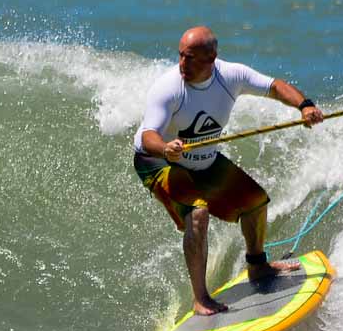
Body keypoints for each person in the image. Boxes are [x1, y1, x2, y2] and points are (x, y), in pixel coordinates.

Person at [133, 26, 324, 316]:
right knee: (198, 213)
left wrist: (304, 106)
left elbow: (274, 86)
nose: (182, 64)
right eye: (180, 55)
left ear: (211, 58)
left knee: (255, 203)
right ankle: (201, 298)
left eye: (190, 58)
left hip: (203, 162)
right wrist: (165, 148)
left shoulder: (231, 76)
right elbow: (149, 135)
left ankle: (258, 266)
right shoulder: (169, 87)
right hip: (158, 162)